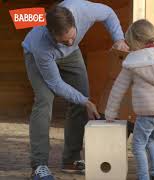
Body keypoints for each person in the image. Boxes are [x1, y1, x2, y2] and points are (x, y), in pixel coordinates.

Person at [22, 0, 129, 179]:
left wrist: (118, 39)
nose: (71, 41)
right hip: (37, 57)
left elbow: (109, 12)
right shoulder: (41, 43)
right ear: (52, 34)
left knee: (81, 96)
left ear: (74, 23)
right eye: (65, 40)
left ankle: (71, 159)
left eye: (73, 36)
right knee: (44, 102)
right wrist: (85, 101)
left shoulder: (82, 11)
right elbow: (55, 83)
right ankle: (39, 166)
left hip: (71, 56)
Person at [104, 19, 154, 180]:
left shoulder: (132, 62)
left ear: (135, 40)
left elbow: (118, 89)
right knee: (151, 142)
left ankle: (144, 177)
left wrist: (110, 113)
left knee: (138, 146)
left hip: (147, 112)